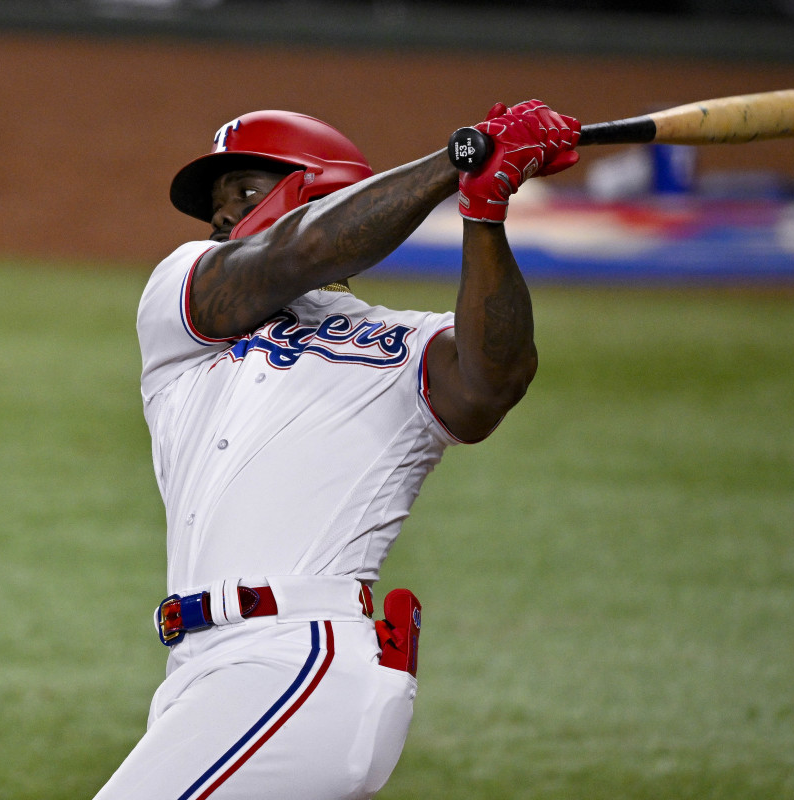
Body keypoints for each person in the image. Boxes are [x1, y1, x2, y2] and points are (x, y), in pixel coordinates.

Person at [93, 101, 580, 800]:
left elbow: (492, 384)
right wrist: (457, 159)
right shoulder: (184, 296)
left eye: (246, 191)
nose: (224, 214)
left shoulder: (410, 343)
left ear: (321, 191)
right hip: (201, 674)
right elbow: (300, 251)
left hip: (301, 660)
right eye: (218, 202)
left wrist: (483, 209)